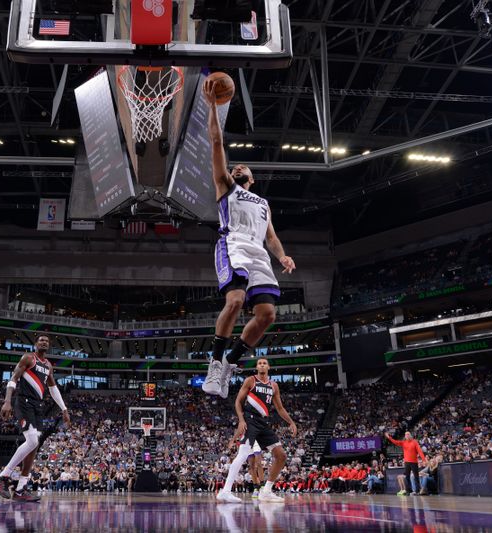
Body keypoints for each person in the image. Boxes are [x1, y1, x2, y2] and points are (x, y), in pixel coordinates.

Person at [200, 77, 296, 399]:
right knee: (237, 301)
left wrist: (282, 256)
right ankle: (214, 364)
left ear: (252, 179)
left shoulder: (263, 203)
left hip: (259, 253)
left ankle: (230, 362)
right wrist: (213, 106)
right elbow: (216, 143)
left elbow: (271, 237)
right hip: (233, 245)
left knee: (267, 315)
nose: (238, 166)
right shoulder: (226, 186)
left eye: (244, 167)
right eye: (236, 165)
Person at [0, 334, 70, 502]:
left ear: (49, 345)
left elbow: (53, 389)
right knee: (31, 441)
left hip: (38, 406)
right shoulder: (28, 358)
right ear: (36, 344)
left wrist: (64, 408)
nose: (44, 342)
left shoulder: (48, 366)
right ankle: (3, 476)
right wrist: (7, 400)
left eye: (47, 341)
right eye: (41, 340)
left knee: (34, 446)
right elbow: (14, 378)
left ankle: (21, 488)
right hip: (24, 402)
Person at [217, 358, 297, 503]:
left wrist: (291, 422)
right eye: (259, 363)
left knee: (281, 455)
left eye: (264, 363)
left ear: (268, 366)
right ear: (256, 367)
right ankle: (225, 491)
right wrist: (241, 420)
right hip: (250, 420)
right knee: (242, 455)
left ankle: (266, 491)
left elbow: (279, 408)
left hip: (263, 422)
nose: (262, 365)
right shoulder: (250, 380)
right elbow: (238, 401)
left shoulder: (274, 385)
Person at [385, 431, 427, 496]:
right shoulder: (403, 442)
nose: (406, 435)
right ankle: (409, 491)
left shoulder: (414, 442)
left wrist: (423, 459)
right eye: (405, 434)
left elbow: (419, 451)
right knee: (407, 477)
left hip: (414, 462)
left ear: (410, 435)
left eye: (408, 434)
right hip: (407, 463)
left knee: (416, 477)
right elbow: (395, 442)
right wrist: (389, 438)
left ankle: (417, 491)